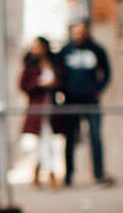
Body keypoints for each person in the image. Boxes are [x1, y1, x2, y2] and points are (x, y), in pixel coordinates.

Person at [58, 19, 113, 187]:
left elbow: (107, 72)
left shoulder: (97, 50)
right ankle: (68, 175)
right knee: (69, 138)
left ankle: (98, 173)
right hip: (71, 100)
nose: (79, 36)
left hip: (91, 100)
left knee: (95, 136)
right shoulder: (66, 51)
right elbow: (59, 72)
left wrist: (98, 89)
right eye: (76, 32)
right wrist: (63, 91)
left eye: (82, 32)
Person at [19, 37, 61, 187]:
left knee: (48, 141)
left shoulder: (52, 63)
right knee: (42, 142)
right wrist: (38, 83)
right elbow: (23, 85)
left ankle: (42, 170)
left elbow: (61, 80)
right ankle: (47, 172)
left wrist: (54, 83)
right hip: (37, 108)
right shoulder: (30, 66)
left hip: (51, 106)